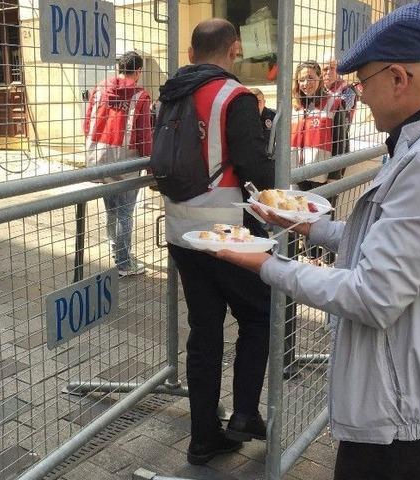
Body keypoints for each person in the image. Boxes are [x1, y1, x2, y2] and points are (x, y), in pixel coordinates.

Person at [217, 4, 420, 479]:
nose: (361, 96)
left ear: (398, 77)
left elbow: (372, 296)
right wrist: (307, 227)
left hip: (404, 411)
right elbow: (391, 246)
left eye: (363, 82)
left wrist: (261, 263)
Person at [159, 18, 273, 465]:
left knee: (204, 332)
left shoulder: (170, 94)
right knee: (258, 316)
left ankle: (202, 436)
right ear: (235, 50)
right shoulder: (234, 96)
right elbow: (256, 172)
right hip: (230, 232)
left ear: (190, 54)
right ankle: (244, 412)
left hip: (182, 232)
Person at [83, 51, 153, 276]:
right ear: (139, 71)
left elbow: (87, 125)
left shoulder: (100, 88)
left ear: (119, 68)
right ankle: (123, 262)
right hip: (126, 161)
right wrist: (151, 165)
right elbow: (144, 135)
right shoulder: (140, 96)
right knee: (125, 212)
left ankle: (116, 251)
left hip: (100, 158)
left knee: (111, 209)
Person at [290, 59, 347, 191]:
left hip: (322, 176)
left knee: (323, 212)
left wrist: (335, 175)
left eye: (311, 78)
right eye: (301, 79)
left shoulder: (334, 103)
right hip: (296, 175)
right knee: (298, 211)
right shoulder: (294, 106)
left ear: (319, 79)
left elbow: (341, 142)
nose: (306, 83)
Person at [322, 57, 358, 162]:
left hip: (338, 140)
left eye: (332, 68)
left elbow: (341, 109)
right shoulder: (318, 89)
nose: (328, 72)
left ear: (338, 71)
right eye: (325, 69)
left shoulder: (347, 90)